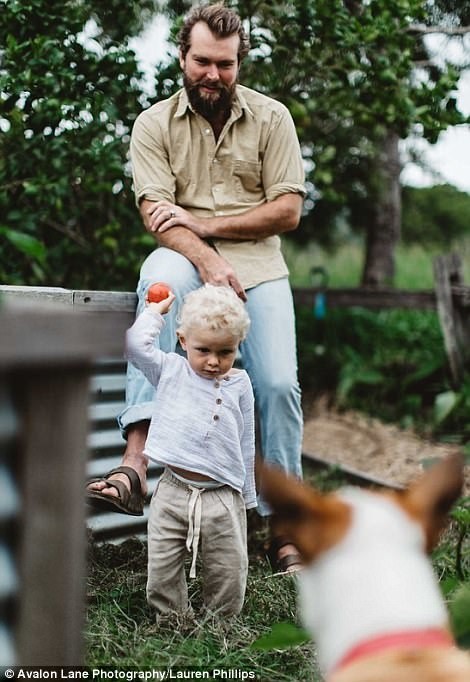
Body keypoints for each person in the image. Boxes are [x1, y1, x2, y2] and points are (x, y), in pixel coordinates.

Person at [86, 2, 305, 573]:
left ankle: (285, 524)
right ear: (182, 57)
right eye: (203, 61)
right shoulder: (153, 124)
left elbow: (286, 210)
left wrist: (206, 224)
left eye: (225, 64)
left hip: (258, 266)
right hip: (183, 256)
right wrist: (205, 256)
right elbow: (157, 213)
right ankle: (134, 465)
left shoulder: (273, 118)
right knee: (158, 282)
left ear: (240, 63)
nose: (213, 75)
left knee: (278, 384)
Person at [127, 283, 256, 617]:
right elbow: (135, 346)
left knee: (228, 567)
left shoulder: (240, 384)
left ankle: (221, 624)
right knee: (163, 564)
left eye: (225, 352)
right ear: (183, 341)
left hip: (223, 497)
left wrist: (248, 496)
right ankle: (170, 619)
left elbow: (246, 441)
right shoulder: (170, 370)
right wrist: (155, 312)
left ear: (237, 345)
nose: (213, 362)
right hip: (173, 490)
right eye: (203, 350)